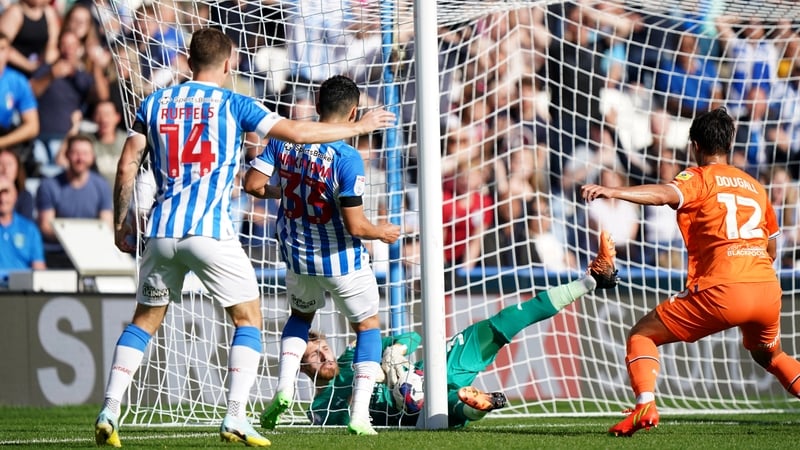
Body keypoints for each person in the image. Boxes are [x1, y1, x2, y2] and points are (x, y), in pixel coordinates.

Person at [94, 28, 394, 448]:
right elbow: (302, 135)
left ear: (187, 60)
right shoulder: (236, 102)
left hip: (161, 229)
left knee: (143, 321)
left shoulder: (154, 101)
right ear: (231, 62)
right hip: (212, 230)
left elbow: (127, 165)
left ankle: (109, 408)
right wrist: (359, 126)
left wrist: (122, 224)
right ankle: (235, 416)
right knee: (247, 319)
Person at [580, 107, 800, 437]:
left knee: (642, 334)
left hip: (724, 288)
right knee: (769, 354)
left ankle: (645, 405)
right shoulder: (755, 186)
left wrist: (615, 192)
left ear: (694, 145)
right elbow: (771, 249)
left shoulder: (697, 178)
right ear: (730, 143)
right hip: (767, 289)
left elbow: (665, 195)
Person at [270, 231, 618, 429]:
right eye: (313, 358)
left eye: (322, 349)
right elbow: (341, 420)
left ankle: (591, 280)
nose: (322, 356)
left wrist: (396, 352)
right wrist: (376, 388)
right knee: (438, 401)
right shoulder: (320, 405)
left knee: (496, 326)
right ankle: (475, 406)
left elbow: (411, 337)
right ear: (303, 369)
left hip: (425, 372)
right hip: (408, 409)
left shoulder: (354, 354)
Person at [243, 75, 402, 436]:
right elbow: (357, 226)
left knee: (300, 317)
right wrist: (383, 232)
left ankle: (283, 390)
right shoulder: (348, 158)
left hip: (297, 257)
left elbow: (251, 185)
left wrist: (282, 190)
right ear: (354, 112)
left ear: (316, 106)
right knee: (367, 327)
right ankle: (359, 414)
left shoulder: (285, 140)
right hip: (340, 260)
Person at [36, 134, 112, 268]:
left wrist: (82, 240)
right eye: (75, 153)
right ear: (66, 155)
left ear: (92, 157)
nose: (80, 158)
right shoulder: (49, 185)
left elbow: (107, 223)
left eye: (85, 153)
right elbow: (46, 226)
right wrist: (75, 239)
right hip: (58, 253)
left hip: (92, 252)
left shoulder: (101, 185)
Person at [0, 31, 39, 176]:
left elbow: (32, 126)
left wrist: (2, 142)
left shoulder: (17, 81)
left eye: (2, 49)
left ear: (9, 52)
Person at [0, 174, 45, 281]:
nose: (2, 198)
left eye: (6, 192)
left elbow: (39, 266)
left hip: (21, 291)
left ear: (15, 195)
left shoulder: (29, 229)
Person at [0, 147, 34, 220]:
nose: (5, 169)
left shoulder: (25, 197)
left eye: (9, 164)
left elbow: (26, 227)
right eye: (1, 164)